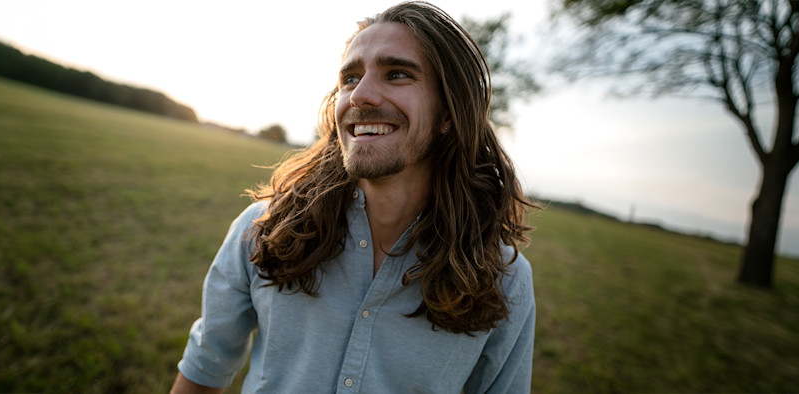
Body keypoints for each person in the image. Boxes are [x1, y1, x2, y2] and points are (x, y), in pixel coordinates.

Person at [171, 2, 536, 392]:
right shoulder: (261, 229)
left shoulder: (505, 280)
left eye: (396, 74)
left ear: (449, 113)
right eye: (350, 78)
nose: (360, 96)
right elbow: (203, 371)